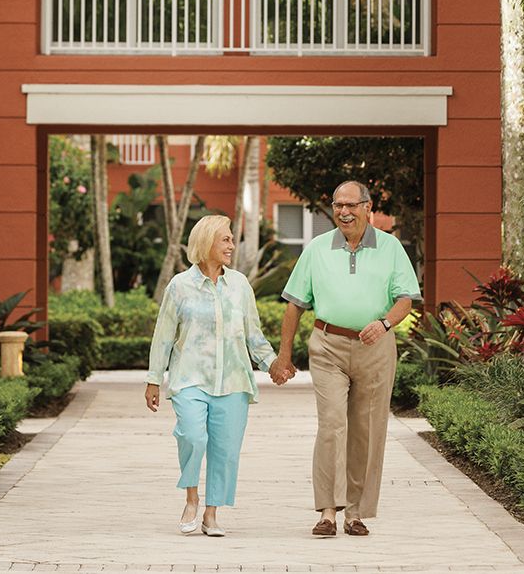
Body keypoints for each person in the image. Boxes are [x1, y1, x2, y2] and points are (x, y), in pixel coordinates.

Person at [270, 180, 420, 537]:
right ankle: (327, 511)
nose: (344, 212)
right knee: (332, 425)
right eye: (338, 205)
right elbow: (294, 304)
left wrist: (384, 324)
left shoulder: (391, 247)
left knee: (367, 430)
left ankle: (355, 512)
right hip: (327, 346)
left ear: (367, 207)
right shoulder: (318, 249)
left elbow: (405, 300)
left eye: (351, 205)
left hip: (376, 348)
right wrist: (284, 356)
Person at [145, 214, 279, 537]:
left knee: (226, 449)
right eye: (226, 239)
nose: (232, 245)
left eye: (232, 239)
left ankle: (211, 514)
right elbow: (163, 335)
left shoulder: (240, 286)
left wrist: (273, 364)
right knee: (192, 436)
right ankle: (191, 499)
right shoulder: (179, 286)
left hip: (233, 381)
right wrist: (153, 379)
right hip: (190, 377)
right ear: (206, 243)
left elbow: (253, 335)